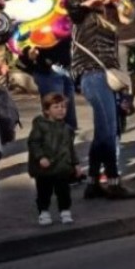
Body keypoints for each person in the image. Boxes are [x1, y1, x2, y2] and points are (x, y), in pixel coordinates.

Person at [67, 0, 135, 200]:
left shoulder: (104, 15)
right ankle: (113, 182)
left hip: (107, 76)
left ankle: (93, 183)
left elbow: (129, 15)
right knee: (109, 129)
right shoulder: (80, 15)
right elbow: (75, 6)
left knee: (104, 131)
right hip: (92, 75)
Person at [27, 93, 79, 225]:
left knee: (64, 191)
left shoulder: (67, 129)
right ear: (46, 110)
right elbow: (34, 143)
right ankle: (44, 212)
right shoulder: (40, 126)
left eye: (63, 106)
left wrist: (75, 164)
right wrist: (40, 157)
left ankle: (65, 211)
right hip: (45, 167)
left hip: (62, 167)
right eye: (56, 107)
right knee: (44, 191)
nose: (61, 109)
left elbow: (70, 148)